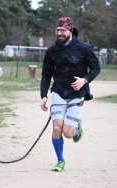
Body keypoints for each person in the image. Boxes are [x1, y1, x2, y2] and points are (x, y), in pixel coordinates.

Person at [40, 17, 100, 172]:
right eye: (57, 30)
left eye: (62, 30)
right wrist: (44, 95)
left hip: (77, 93)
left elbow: (95, 68)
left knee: (68, 133)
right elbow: (46, 74)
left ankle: (76, 126)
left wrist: (84, 80)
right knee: (56, 129)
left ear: (70, 30)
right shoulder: (52, 50)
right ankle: (60, 160)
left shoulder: (84, 48)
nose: (59, 33)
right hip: (59, 92)